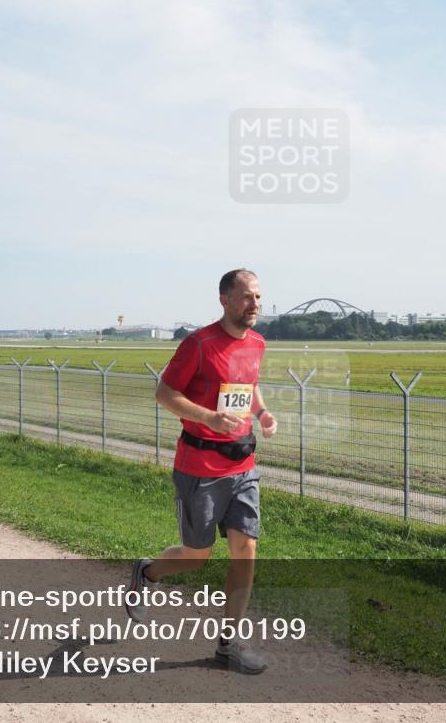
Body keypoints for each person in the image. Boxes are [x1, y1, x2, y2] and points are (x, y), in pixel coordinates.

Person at [126, 269, 277, 674]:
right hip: (200, 467)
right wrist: (209, 417)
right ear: (225, 300)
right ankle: (148, 572)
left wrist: (262, 412)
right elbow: (165, 393)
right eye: (246, 297)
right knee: (196, 556)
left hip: (242, 464)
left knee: (246, 550)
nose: (255, 304)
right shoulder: (198, 344)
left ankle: (229, 644)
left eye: (258, 297)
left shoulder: (258, 343)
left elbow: (249, 383)